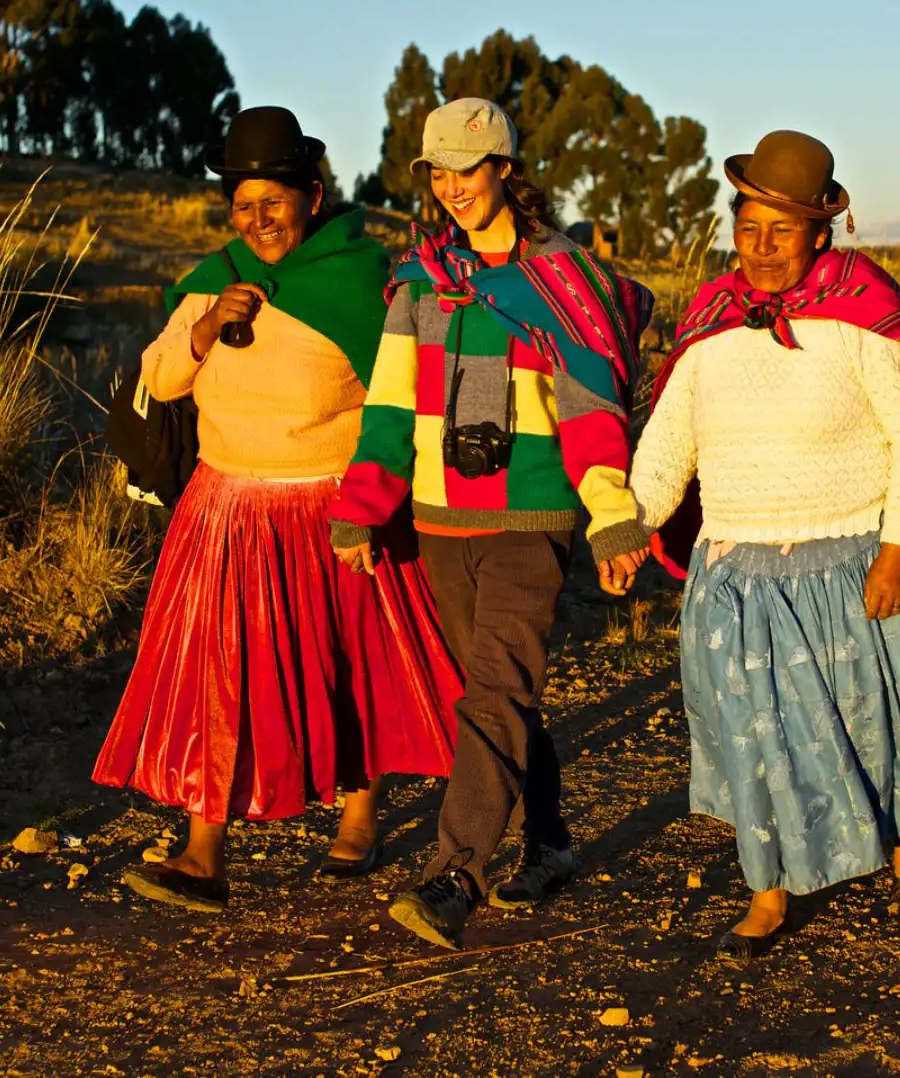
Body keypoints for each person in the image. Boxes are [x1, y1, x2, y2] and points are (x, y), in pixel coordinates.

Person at [629, 130, 900, 959]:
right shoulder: (712, 322)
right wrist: (632, 522)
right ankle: (767, 890)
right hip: (739, 574)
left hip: (853, 562)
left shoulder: (862, 314)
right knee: (757, 734)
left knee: (876, 718)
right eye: (749, 226)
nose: (763, 248)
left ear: (819, 231)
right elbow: (666, 449)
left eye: (783, 231)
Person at [93, 106, 464, 913]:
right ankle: (203, 853)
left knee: (345, 666)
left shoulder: (363, 280)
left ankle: (360, 815)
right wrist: (200, 333)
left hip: (332, 512)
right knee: (213, 678)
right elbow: (157, 383)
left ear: (313, 195)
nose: (258, 222)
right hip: (223, 510)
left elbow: (399, 400)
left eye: (274, 203)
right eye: (243, 205)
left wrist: (376, 501)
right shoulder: (213, 282)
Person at [328, 98, 652, 949]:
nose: (452, 187)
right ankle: (548, 844)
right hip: (442, 520)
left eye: (467, 169)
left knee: (498, 691)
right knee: (497, 695)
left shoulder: (561, 280)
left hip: (532, 516)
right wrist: (362, 509)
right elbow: (392, 405)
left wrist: (613, 517)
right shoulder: (422, 280)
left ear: (505, 169)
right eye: (438, 172)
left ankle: (452, 877)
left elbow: (590, 410)